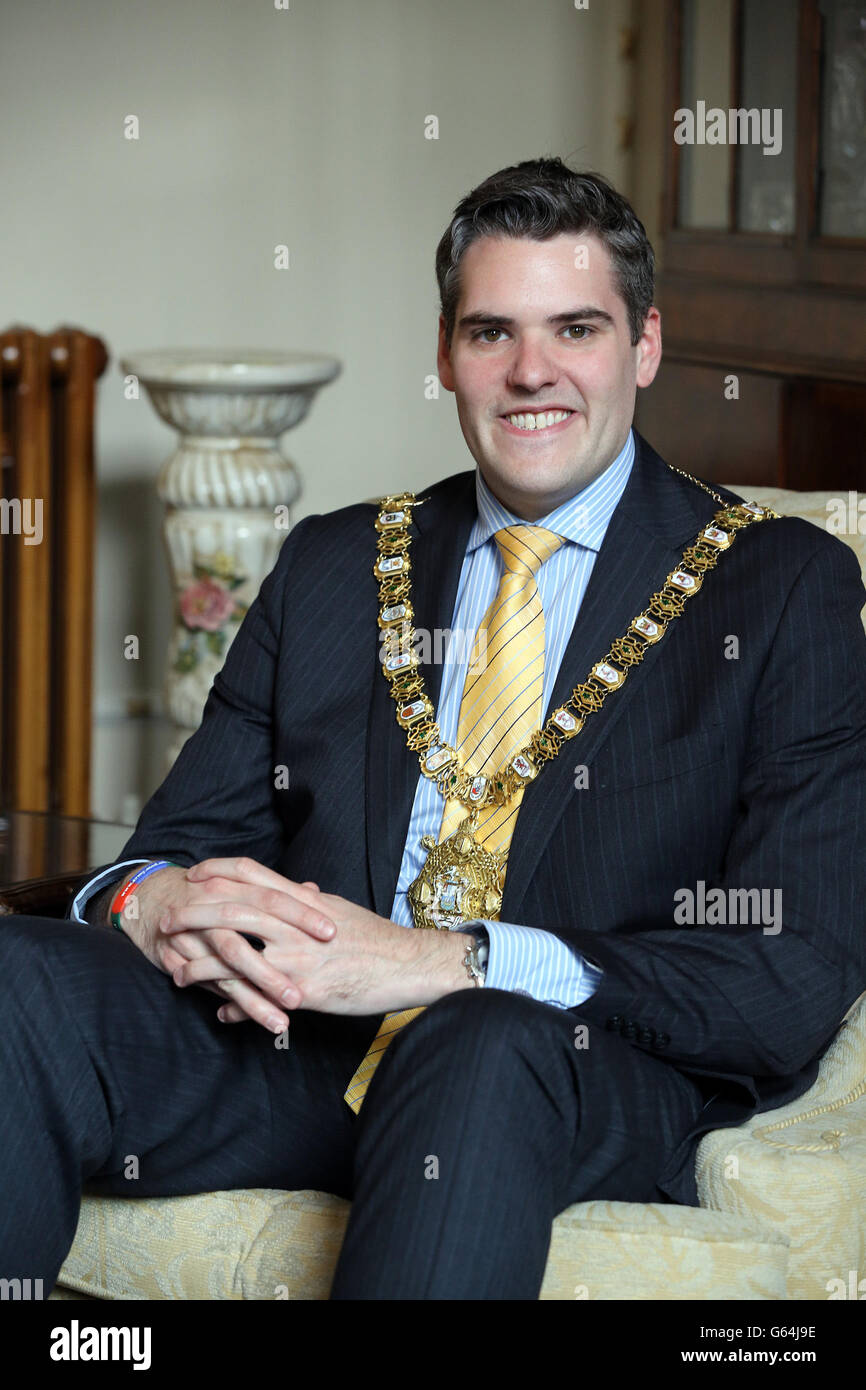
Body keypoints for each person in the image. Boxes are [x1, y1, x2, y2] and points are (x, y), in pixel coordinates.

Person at [2, 158, 865, 1301]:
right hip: (298, 1050)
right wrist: (149, 897)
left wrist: (441, 963)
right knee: (14, 972)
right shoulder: (333, 563)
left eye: (575, 328)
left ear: (644, 346)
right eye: (488, 332)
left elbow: (788, 973)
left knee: (478, 1035)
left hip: (568, 1067)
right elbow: (169, 842)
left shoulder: (779, 585)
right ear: (445, 353)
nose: (530, 373)